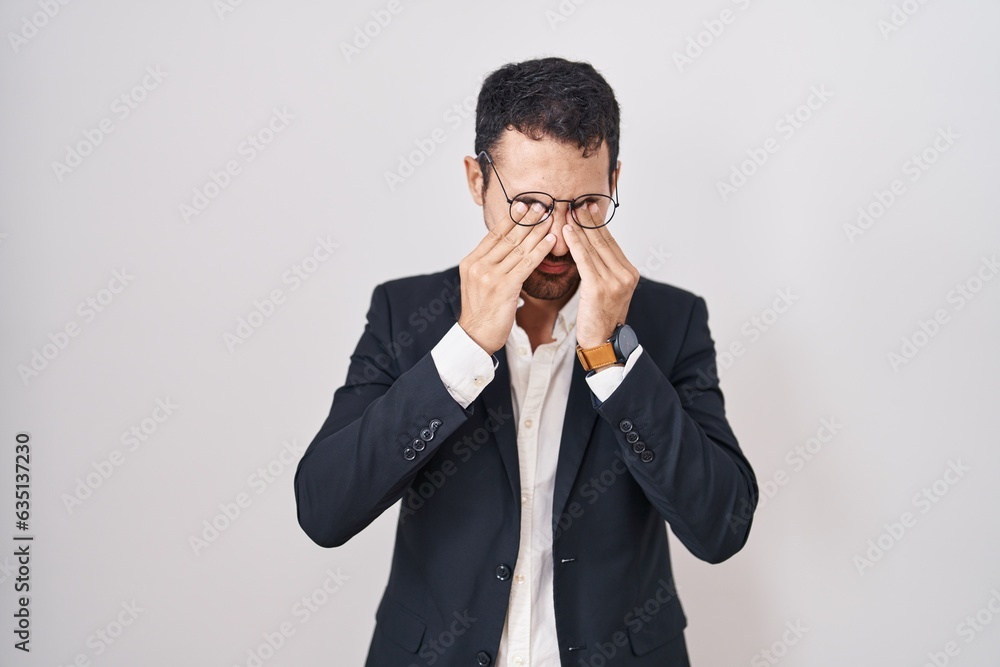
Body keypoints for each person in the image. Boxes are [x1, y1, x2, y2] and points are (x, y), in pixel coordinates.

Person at [294, 56, 758, 667]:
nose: (560, 239)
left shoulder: (671, 323)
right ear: (476, 181)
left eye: (586, 203)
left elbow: (721, 527)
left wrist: (611, 357)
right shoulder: (402, 312)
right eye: (532, 205)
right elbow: (325, 510)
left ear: (614, 180)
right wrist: (463, 349)